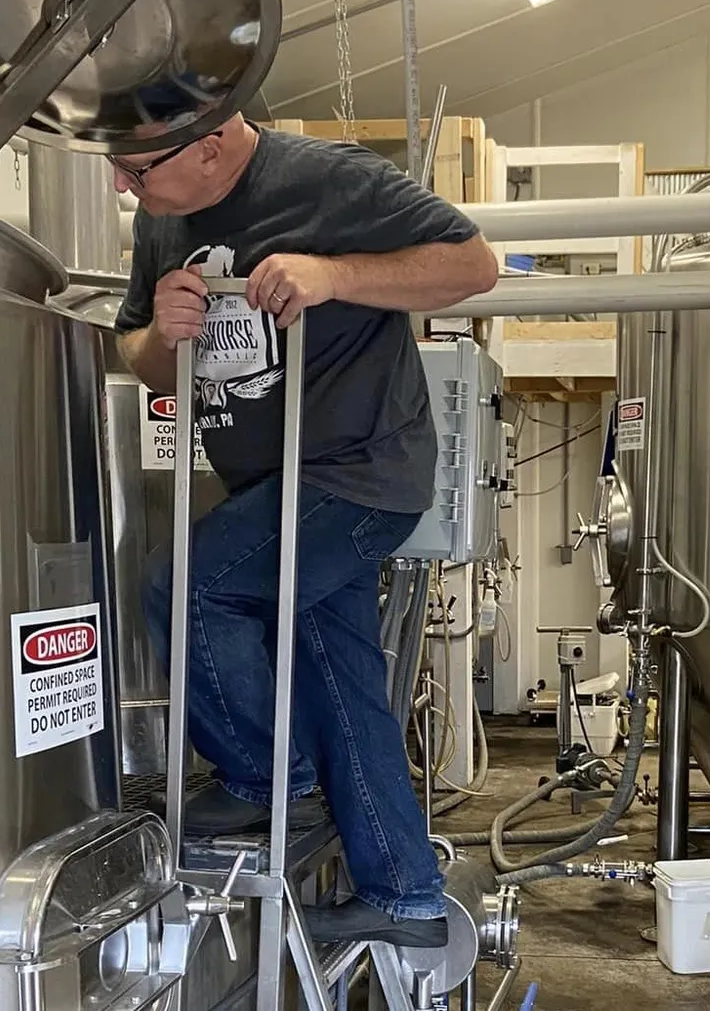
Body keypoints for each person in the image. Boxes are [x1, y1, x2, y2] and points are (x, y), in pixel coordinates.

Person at [111, 114, 498, 946]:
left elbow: (473, 264)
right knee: (341, 678)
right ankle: (407, 897)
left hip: (358, 473)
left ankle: (265, 772)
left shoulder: (328, 179)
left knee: (182, 583)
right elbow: (140, 358)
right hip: (273, 482)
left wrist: (334, 273)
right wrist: (161, 332)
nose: (123, 187)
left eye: (135, 170)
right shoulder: (162, 220)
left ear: (208, 145)